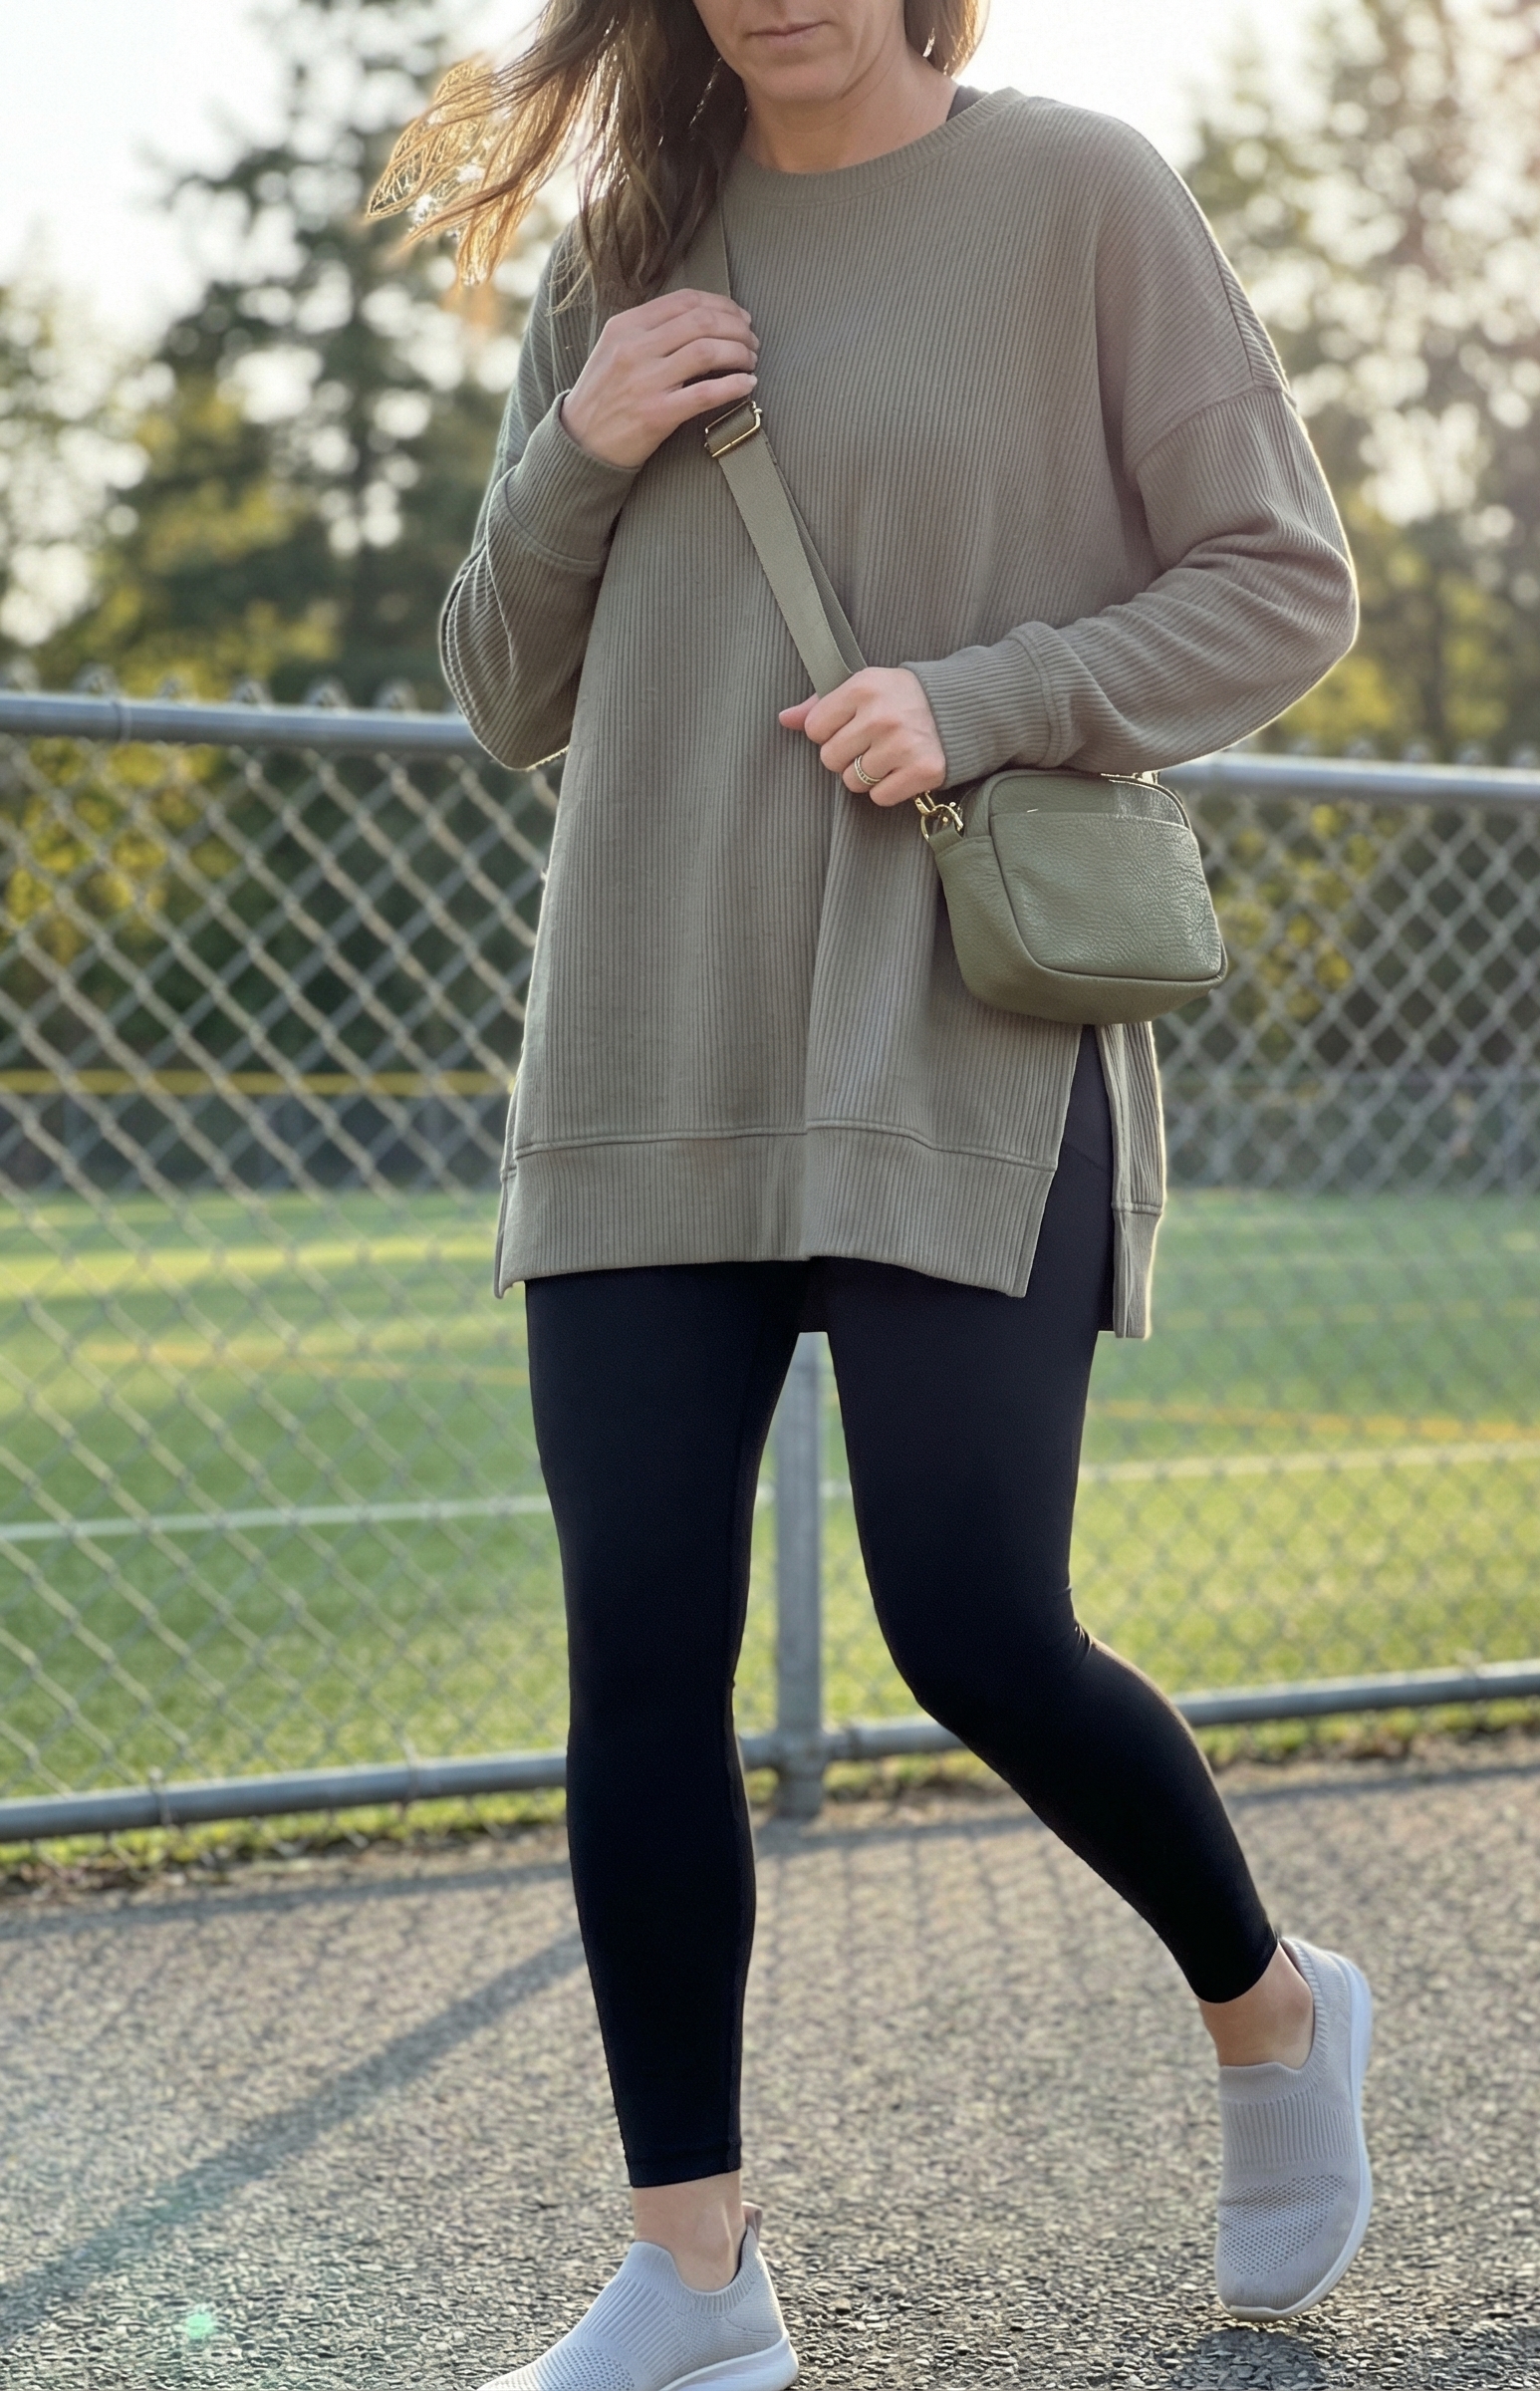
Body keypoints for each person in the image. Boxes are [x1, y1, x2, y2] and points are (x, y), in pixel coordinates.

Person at [383, 2, 1369, 2382]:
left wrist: (992, 691)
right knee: (637, 1654)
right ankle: (692, 2277)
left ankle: (1267, 2010)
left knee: (968, 1623)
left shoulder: (1080, 199)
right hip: (647, 1042)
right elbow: (504, 688)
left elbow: (1278, 581)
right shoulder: (620, 250)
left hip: (957, 1035)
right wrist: (583, 442)